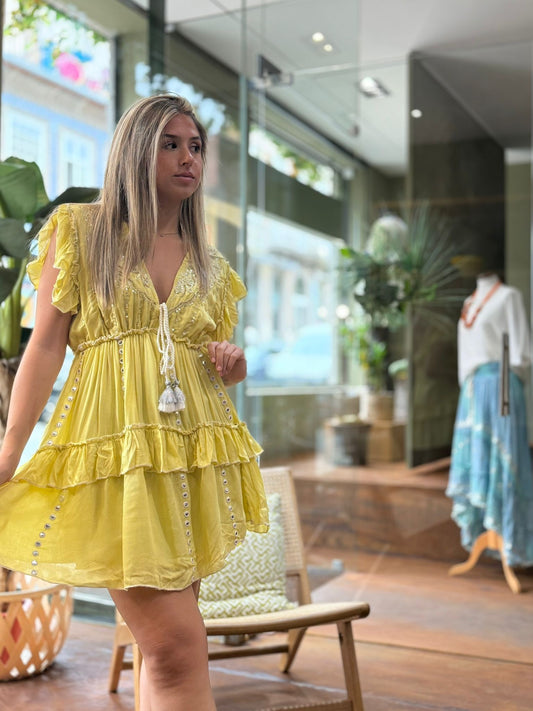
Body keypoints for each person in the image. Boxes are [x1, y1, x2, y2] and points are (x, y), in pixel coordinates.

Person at [0, 93, 269, 710]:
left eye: (195, 146)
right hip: (116, 461)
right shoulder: (82, 231)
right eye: (170, 144)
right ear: (135, 152)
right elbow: (45, 346)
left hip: (191, 462)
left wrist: (233, 366)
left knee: (164, 652)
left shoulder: (211, 263)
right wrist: (12, 448)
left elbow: (212, 362)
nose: (187, 158)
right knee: (176, 647)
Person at [447, 271, 533, 568]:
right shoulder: (469, 303)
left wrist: (506, 386)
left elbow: (520, 352)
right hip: (473, 390)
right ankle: (487, 531)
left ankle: (512, 540)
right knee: (478, 459)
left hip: (501, 385)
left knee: (505, 460)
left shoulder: (508, 297)